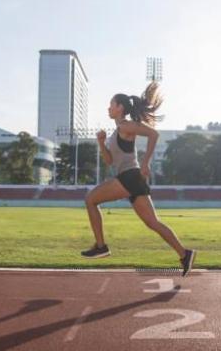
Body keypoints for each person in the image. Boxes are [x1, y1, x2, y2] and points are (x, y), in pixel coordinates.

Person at [81, 81, 196, 277]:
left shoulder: (127, 126)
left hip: (130, 176)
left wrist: (146, 162)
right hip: (131, 180)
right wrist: (101, 143)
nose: (108, 108)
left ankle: (101, 246)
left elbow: (153, 134)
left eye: (111, 105)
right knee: (153, 223)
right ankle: (185, 254)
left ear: (120, 108)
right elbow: (109, 161)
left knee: (91, 199)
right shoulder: (116, 133)